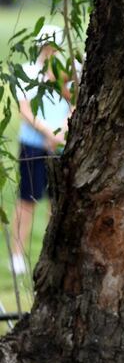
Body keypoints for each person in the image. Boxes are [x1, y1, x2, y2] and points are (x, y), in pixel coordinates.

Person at [11, 24, 74, 275]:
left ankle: (51, 254)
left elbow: (74, 103)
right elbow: (25, 110)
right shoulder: (27, 72)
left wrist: (61, 130)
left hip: (59, 147)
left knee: (55, 202)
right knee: (27, 200)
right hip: (34, 145)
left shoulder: (67, 73)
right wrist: (49, 133)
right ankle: (17, 254)